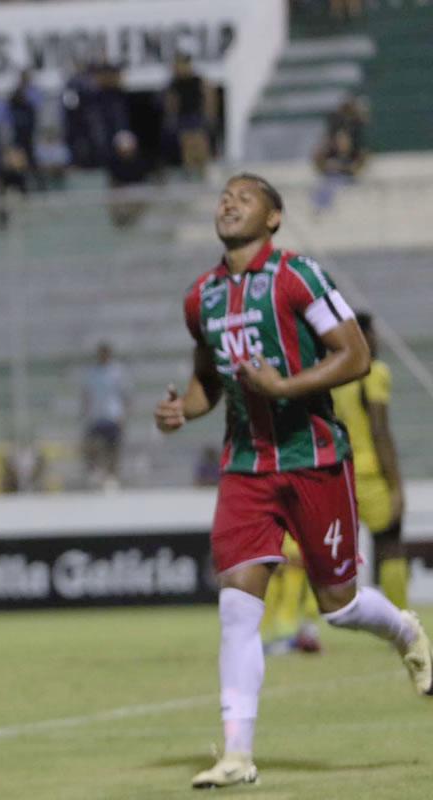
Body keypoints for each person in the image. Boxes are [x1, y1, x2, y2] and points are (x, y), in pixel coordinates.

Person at [154, 174, 433, 789]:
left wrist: (285, 387)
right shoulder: (200, 296)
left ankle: (405, 629)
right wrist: (184, 410)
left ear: (274, 217)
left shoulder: (297, 276)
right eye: (223, 196)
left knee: (339, 606)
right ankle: (237, 753)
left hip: (313, 459)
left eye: (244, 196)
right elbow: (207, 379)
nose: (228, 202)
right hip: (246, 467)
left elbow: (355, 354)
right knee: (236, 605)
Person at [331, 312, 407, 607]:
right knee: (390, 542)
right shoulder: (374, 372)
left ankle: (307, 626)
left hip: (342, 474)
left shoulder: (335, 376)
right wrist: (396, 485)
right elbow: (379, 430)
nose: (376, 338)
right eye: (371, 332)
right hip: (372, 473)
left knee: (328, 551)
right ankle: (402, 619)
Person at [81, 342, 129, 489]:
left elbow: (125, 394)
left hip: (113, 415)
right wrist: (85, 412)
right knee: (91, 445)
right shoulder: (92, 373)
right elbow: (86, 394)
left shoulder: (117, 372)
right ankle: (95, 472)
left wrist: (125, 414)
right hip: (96, 415)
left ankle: (112, 476)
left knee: (113, 448)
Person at [163, 53, 213, 180]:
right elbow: (171, 101)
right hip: (183, 117)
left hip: (196, 115)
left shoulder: (197, 80)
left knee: (200, 143)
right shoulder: (175, 83)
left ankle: (204, 172)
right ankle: (191, 172)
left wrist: (209, 114)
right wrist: (171, 117)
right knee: (187, 144)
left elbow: (208, 96)